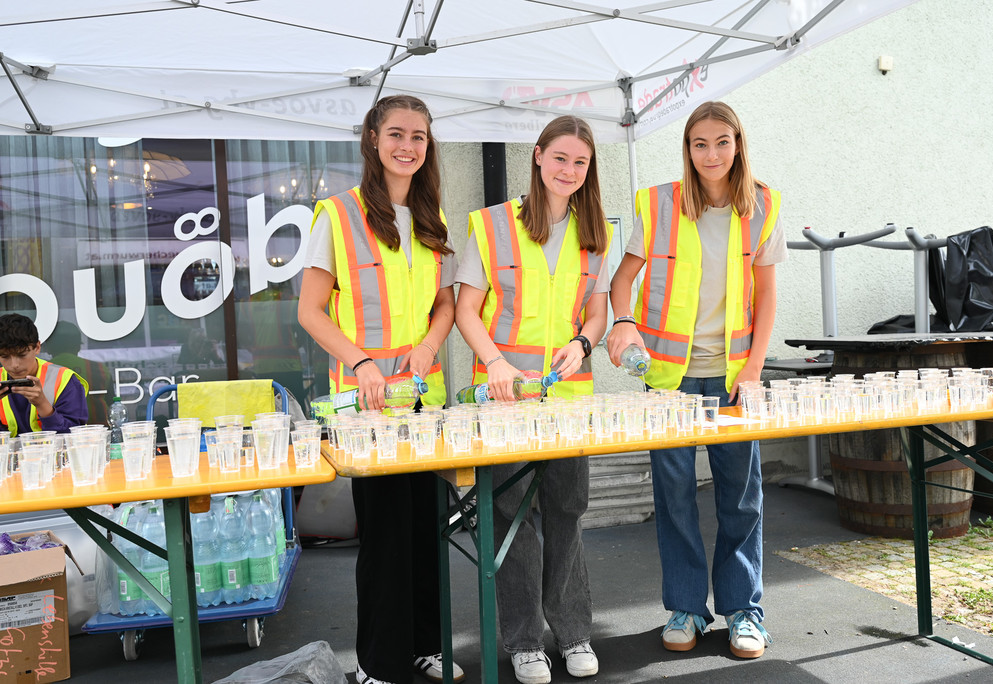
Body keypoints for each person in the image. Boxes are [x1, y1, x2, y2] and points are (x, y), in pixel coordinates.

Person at [607, 101, 786, 660]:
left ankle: (743, 611)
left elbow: (767, 295)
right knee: (675, 498)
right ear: (686, 148)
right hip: (669, 379)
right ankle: (685, 607)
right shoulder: (659, 204)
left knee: (742, 498)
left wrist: (755, 367)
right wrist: (625, 322)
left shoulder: (764, 205)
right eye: (699, 144)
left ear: (738, 144)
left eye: (721, 142)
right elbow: (621, 281)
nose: (711, 154)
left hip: (733, 377)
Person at [297, 95, 463, 684]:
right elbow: (310, 311)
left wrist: (431, 344)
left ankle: (426, 645)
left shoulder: (432, 216)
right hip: (366, 409)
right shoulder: (337, 216)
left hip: (422, 400)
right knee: (386, 538)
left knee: (426, 531)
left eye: (418, 136)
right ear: (373, 138)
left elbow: (445, 304)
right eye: (396, 134)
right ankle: (378, 664)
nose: (407, 146)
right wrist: (361, 361)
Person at [454, 115, 612, 683]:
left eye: (580, 162)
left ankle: (573, 633)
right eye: (560, 158)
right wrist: (495, 361)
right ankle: (524, 641)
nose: (569, 170)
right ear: (538, 156)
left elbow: (597, 312)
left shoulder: (596, 231)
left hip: (568, 397)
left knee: (568, 512)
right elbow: (466, 309)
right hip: (505, 400)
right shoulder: (492, 225)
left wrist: (583, 342)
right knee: (511, 518)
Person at [0, 313, 89, 436]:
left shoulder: (64, 379)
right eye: (5, 357)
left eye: (22, 355)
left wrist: (42, 404)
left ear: (37, 347)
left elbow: (74, 436)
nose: (14, 365)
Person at [46, 320, 112, 425]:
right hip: (99, 429)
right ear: (78, 346)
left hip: (59, 431)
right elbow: (112, 404)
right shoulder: (98, 368)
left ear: (48, 347)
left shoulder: (42, 370)